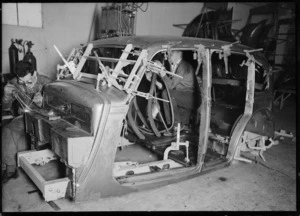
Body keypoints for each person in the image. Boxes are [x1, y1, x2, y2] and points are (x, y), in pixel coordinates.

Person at [2, 60, 52, 183]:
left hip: (44, 117)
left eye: (29, 81)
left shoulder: (48, 83)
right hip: (24, 117)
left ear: (34, 73)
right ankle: (10, 169)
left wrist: (43, 103)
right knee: (8, 130)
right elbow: (5, 107)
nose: (25, 84)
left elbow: (57, 108)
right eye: (21, 82)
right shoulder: (13, 83)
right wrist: (6, 96)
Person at [147, 51, 196, 136]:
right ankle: (171, 124)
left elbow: (171, 86)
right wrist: (154, 79)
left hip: (190, 97)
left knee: (166, 94)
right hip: (182, 95)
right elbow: (166, 85)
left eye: (171, 54)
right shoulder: (177, 66)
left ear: (179, 54)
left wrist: (162, 73)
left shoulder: (183, 66)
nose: (169, 56)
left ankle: (175, 125)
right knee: (164, 94)